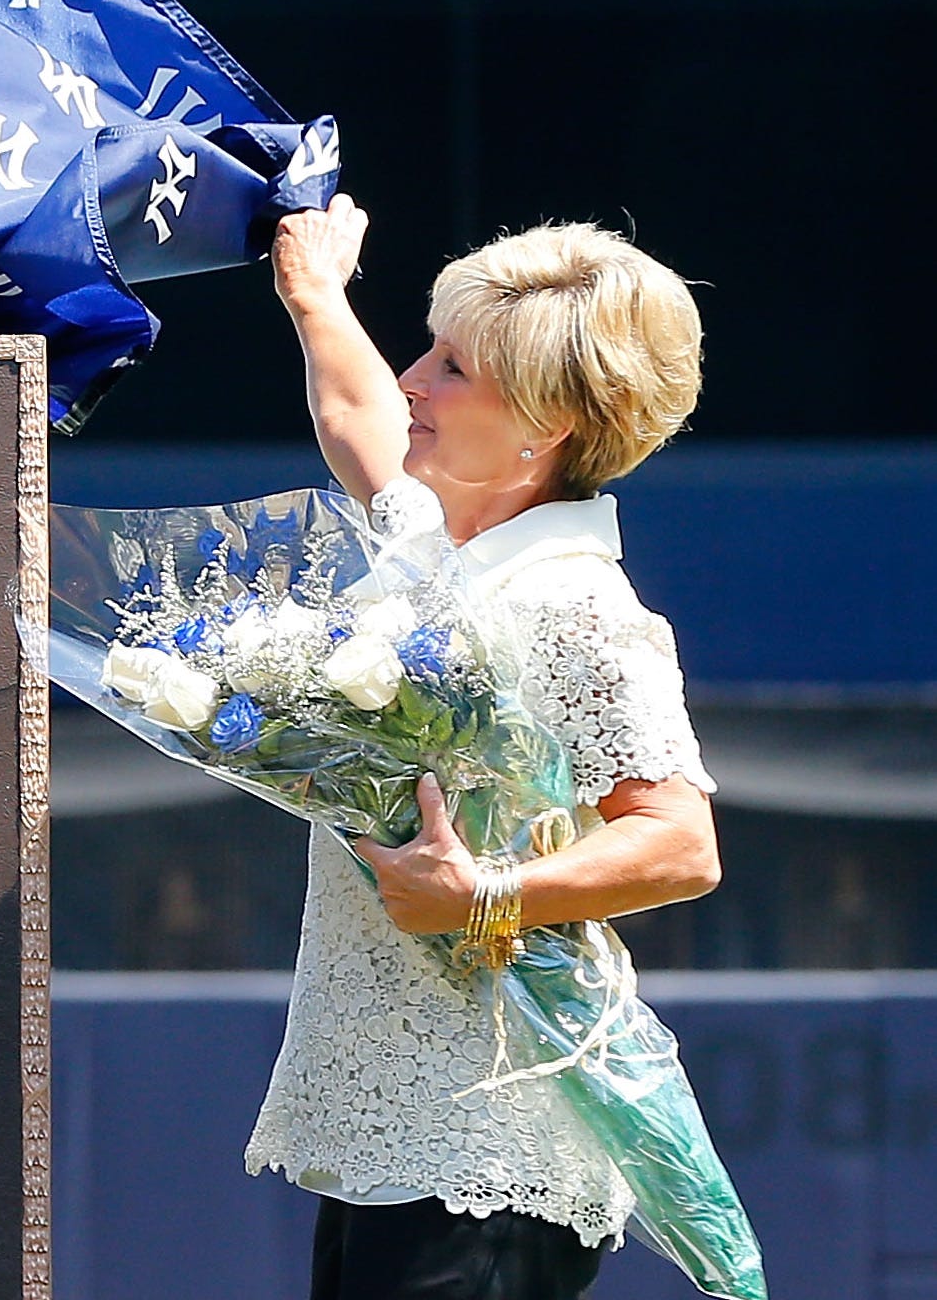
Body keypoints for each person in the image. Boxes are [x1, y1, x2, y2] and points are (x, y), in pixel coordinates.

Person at [247, 195, 724, 1300]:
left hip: (497, 1147)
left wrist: (485, 894)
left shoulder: (577, 604)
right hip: (405, 1138)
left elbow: (681, 843)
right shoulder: (446, 550)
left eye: (452, 366)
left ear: (544, 423)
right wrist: (315, 293)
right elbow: (364, 420)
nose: (415, 376)